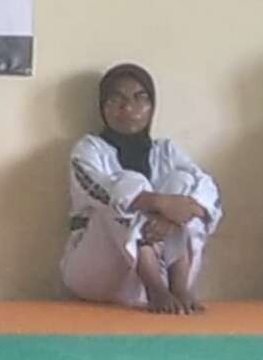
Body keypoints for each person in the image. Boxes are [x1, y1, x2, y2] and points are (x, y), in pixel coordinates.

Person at [60, 63, 220, 313]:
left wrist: (170, 219)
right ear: (103, 107)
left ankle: (179, 286)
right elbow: (103, 191)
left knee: (185, 182)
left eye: (139, 98)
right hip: (99, 275)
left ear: (152, 107)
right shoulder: (89, 149)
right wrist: (159, 204)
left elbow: (207, 190)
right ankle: (154, 286)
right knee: (129, 186)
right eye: (117, 99)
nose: (128, 108)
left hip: (166, 268)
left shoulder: (165, 150)